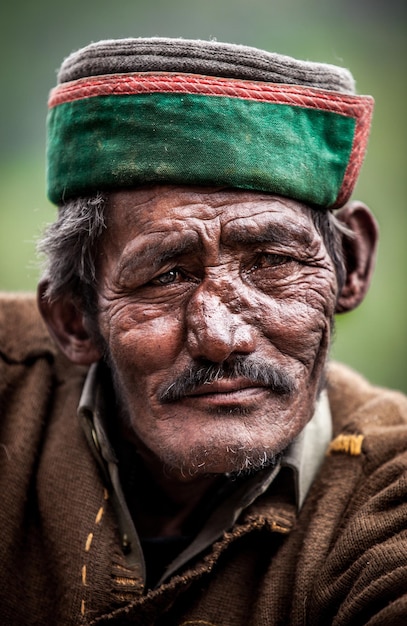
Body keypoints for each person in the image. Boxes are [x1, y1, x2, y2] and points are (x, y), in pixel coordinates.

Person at [0, 37, 406, 626]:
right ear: (73, 318)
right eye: (166, 276)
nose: (221, 337)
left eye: (272, 262)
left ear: (351, 265)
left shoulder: (387, 487)